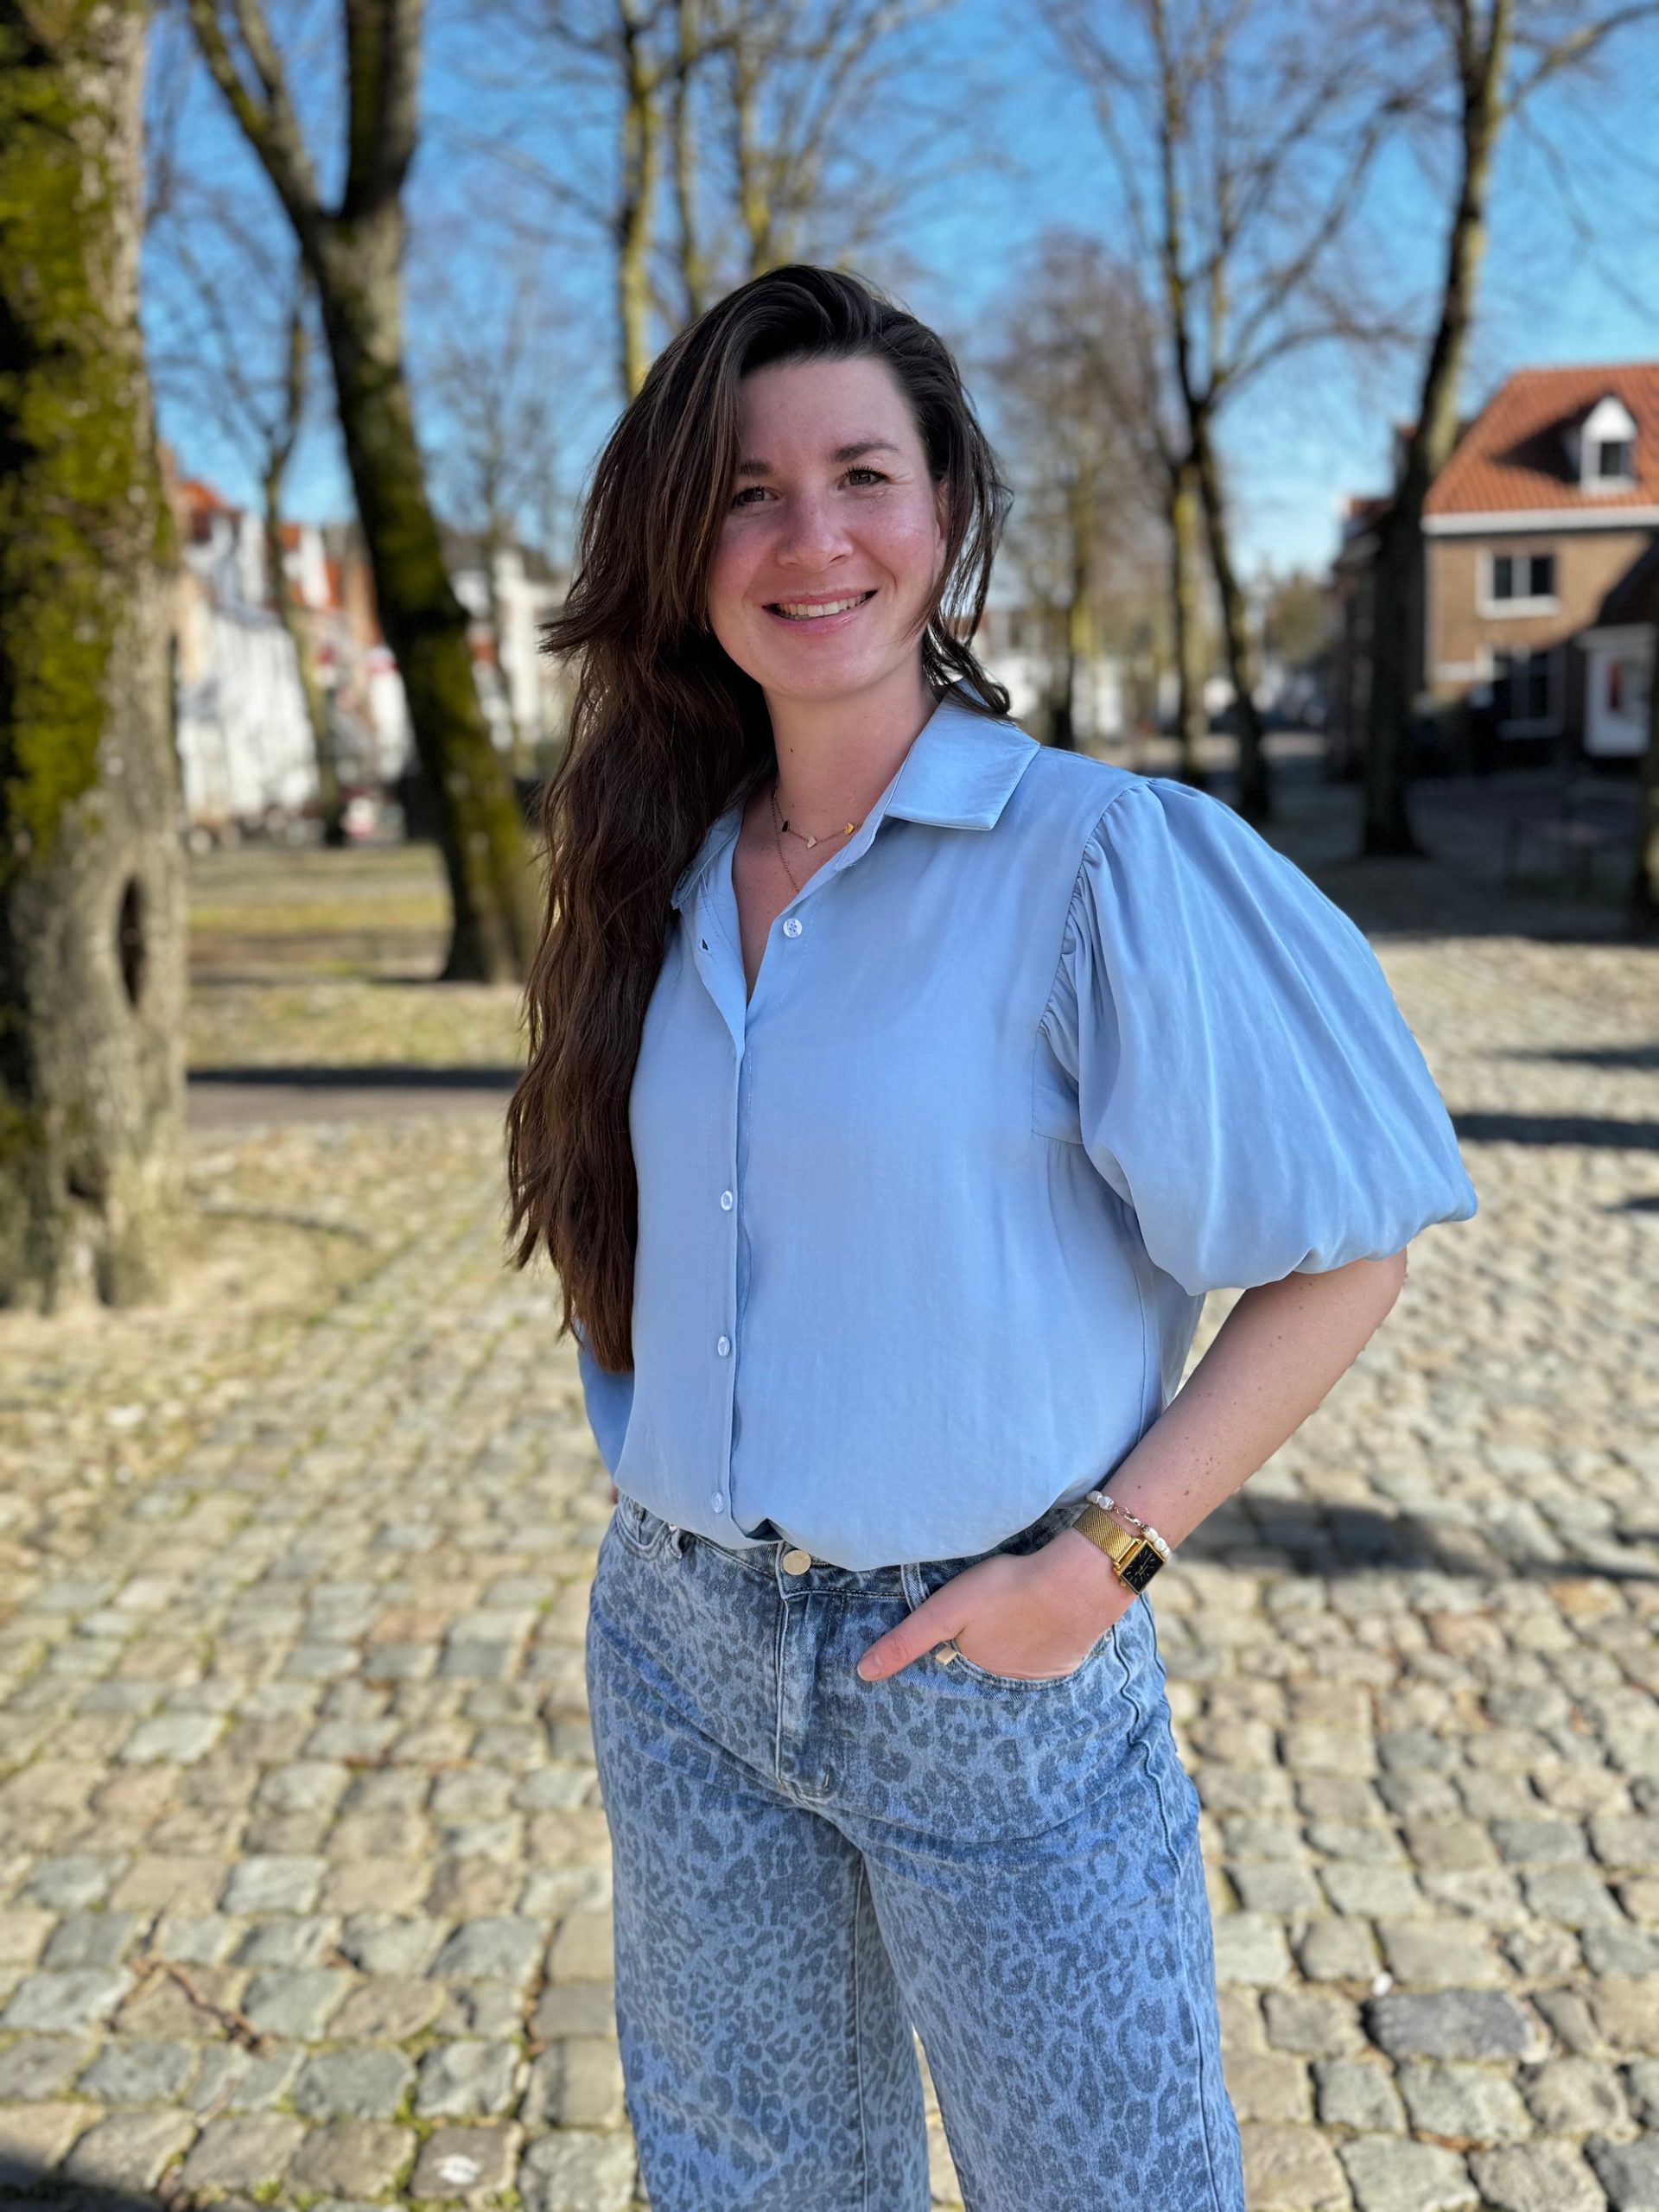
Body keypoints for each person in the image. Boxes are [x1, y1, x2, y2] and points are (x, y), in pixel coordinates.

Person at [505, 264, 1478, 2212]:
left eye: (863, 475)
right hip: (683, 1657)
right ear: (683, 546)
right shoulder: (653, 872)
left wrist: (1105, 1560)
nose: (812, 538)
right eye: (747, 493)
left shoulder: (1100, 858)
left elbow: (1344, 1248)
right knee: (751, 2190)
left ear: (945, 509)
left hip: (991, 1672)